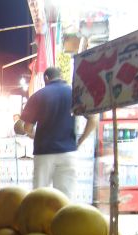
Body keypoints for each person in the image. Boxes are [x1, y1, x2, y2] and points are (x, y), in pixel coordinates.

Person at [21, 66, 97, 198]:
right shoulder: (74, 93)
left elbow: (27, 128)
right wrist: (80, 141)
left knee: (39, 198)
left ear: (46, 78)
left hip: (44, 153)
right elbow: (93, 119)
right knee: (65, 198)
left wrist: (33, 135)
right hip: (68, 152)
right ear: (61, 76)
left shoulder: (38, 96)